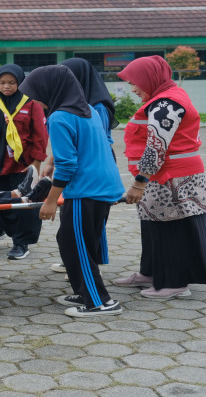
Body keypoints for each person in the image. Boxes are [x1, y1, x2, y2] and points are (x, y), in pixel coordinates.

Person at [20, 65, 125, 317]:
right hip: (102, 186)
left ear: (50, 90)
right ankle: (83, 289)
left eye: (36, 94)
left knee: (77, 246)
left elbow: (68, 165)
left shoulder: (59, 117)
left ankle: (99, 302)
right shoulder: (87, 110)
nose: (35, 100)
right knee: (70, 240)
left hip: (86, 190)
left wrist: (50, 201)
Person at [114, 55, 206, 299]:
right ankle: (151, 273)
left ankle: (174, 282)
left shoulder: (166, 104)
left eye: (135, 82)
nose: (134, 89)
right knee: (153, 226)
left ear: (150, 78)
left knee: (170, 228)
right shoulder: (167, 97)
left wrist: (139, 183)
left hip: (171, 177)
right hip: (166, 176)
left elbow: (156, 147)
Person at [47, 57, 120, 274]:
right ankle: (78, 262)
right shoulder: (70, 104)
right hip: (78, 164)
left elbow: (93, 140)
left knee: (87, 224)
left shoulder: (96, 106)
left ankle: (87, 264)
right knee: (73, 222)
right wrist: (52, 160)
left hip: (94, 164)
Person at [0, 64, 48, 259]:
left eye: (11, 82)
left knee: (25, 205)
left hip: (22, 165)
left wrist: (36, 164)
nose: (6, 86)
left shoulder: (31, 104)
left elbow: (40, 136)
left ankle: (21, 242)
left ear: (20, 82)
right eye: (1, 82)